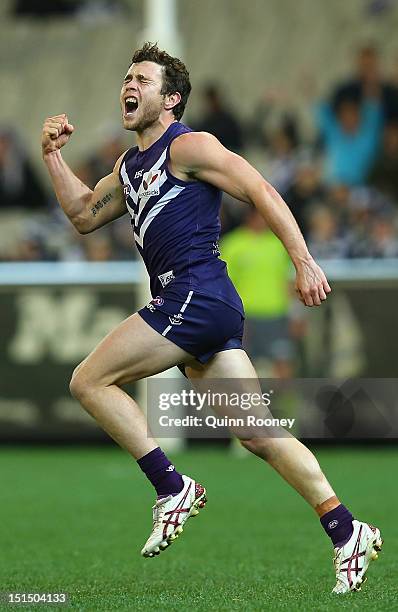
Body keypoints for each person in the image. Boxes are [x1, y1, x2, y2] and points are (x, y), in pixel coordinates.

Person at [41, 43, 382, 594]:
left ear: (170, 99)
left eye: (143, 79)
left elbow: (259, 188)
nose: (129, 85)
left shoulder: (189, 145)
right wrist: (52, 155)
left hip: (195, 295)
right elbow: (82, 215)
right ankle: (347, 529)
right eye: (127, 77)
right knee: (258, 433)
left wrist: (303, 259)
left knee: (89, 380)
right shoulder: (129, 166)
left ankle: (170, 486)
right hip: (206, 307)